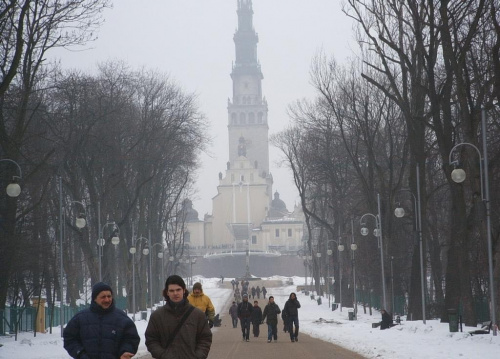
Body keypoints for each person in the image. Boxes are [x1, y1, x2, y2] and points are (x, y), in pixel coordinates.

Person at [63, 282, 140, 359]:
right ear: (95, 299)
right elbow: (69, 339)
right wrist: (80, 354)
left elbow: (131, 339)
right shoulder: (80, 318)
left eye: (109, 296)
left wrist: (125, 351)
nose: (107, 300)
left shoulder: (122, 318)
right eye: (103, 297)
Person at [145, 275, 212, 358]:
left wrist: (198, 356)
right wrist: (162, 355)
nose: (175, 293)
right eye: (172, 290)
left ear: (184, 290)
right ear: (167, 292)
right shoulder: (157, 316)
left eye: (178, 290)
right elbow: (151, 340)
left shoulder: (197, 315)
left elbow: (205, 338)